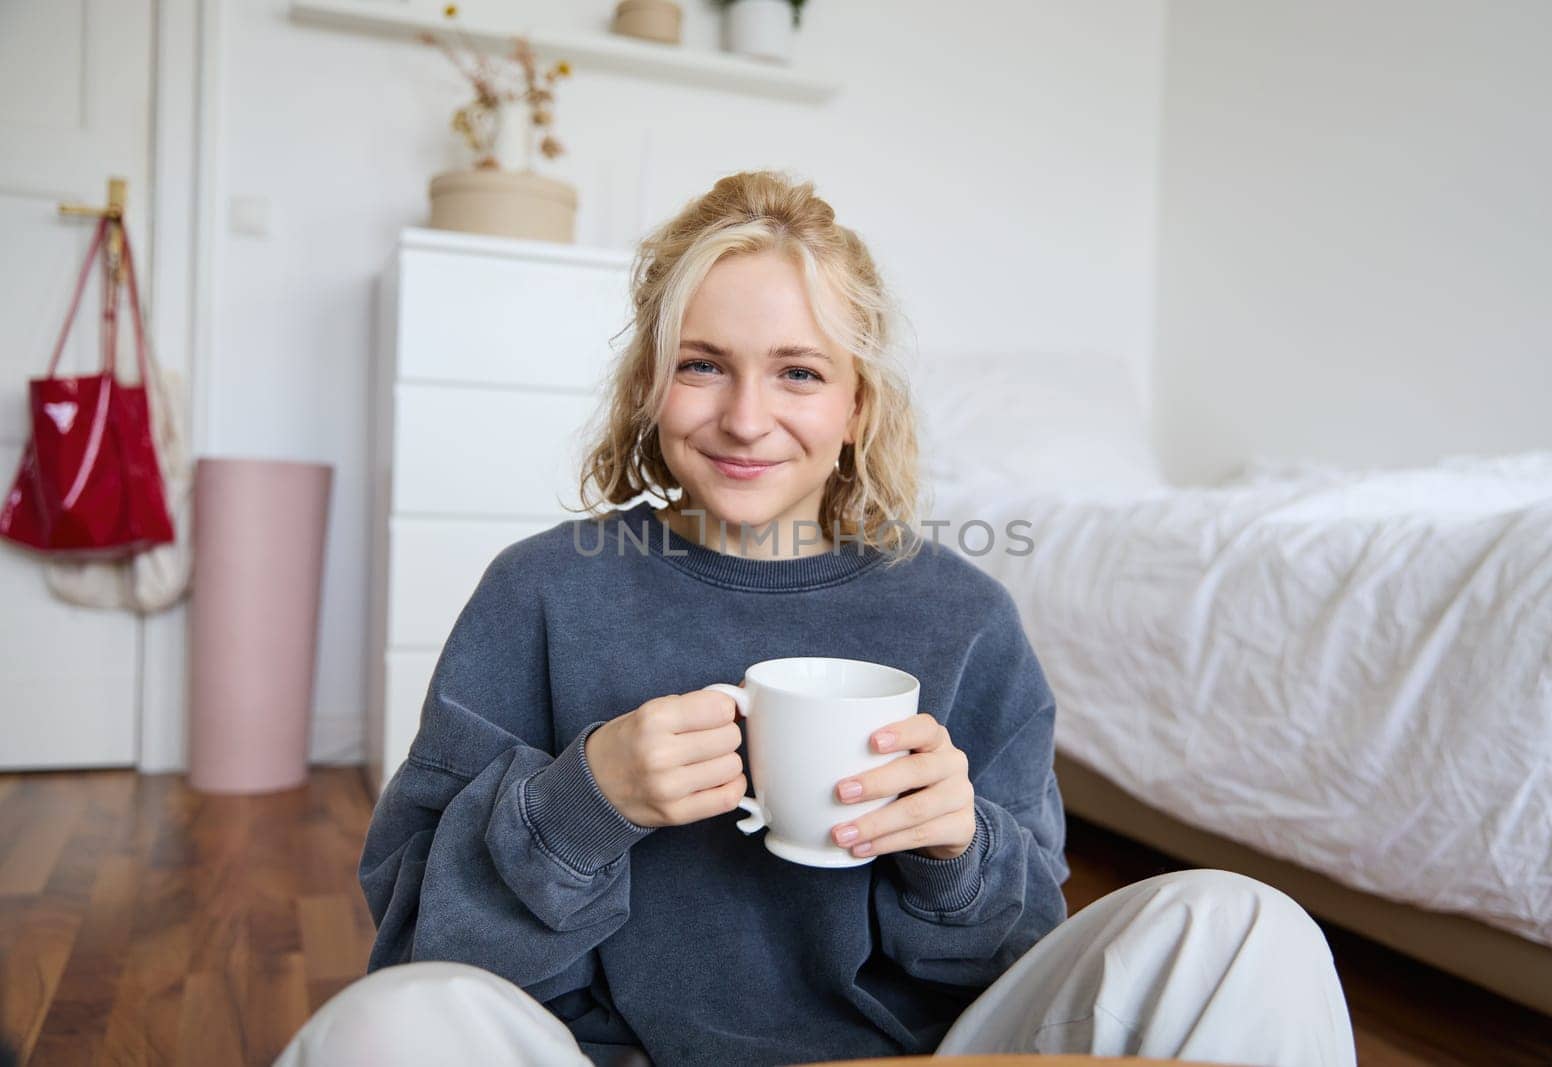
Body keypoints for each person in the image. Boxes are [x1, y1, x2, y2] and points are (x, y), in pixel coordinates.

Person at [275, 171, 1356, 1067]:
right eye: (702, 365)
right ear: (651, 386)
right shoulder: (544, 591)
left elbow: (1017, 951)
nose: (746, 417)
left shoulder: (965, 614)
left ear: (856, 405)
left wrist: (957, 845)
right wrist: (584, 798)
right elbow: (419, 942)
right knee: (378, 1027)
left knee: (1246, 923)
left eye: (798, 371)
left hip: (913, 1056)